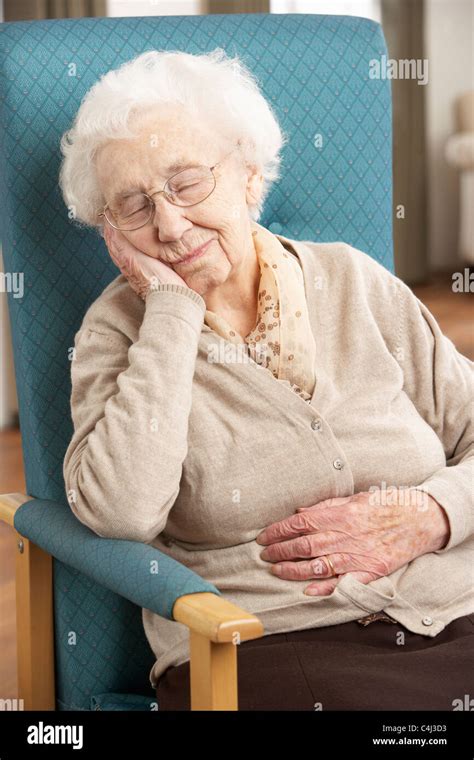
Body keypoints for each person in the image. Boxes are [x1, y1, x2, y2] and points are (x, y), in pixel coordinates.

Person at [59, 48, 474, 711]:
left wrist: (437, 512)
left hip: (452, 612)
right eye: (134, 207)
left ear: (249, 175)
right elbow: (121, 512)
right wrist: (170, 312)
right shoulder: (115, 331)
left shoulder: (352, 280)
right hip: (267, 644)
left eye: (186, 182)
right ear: (110, 231)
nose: (167, 224)